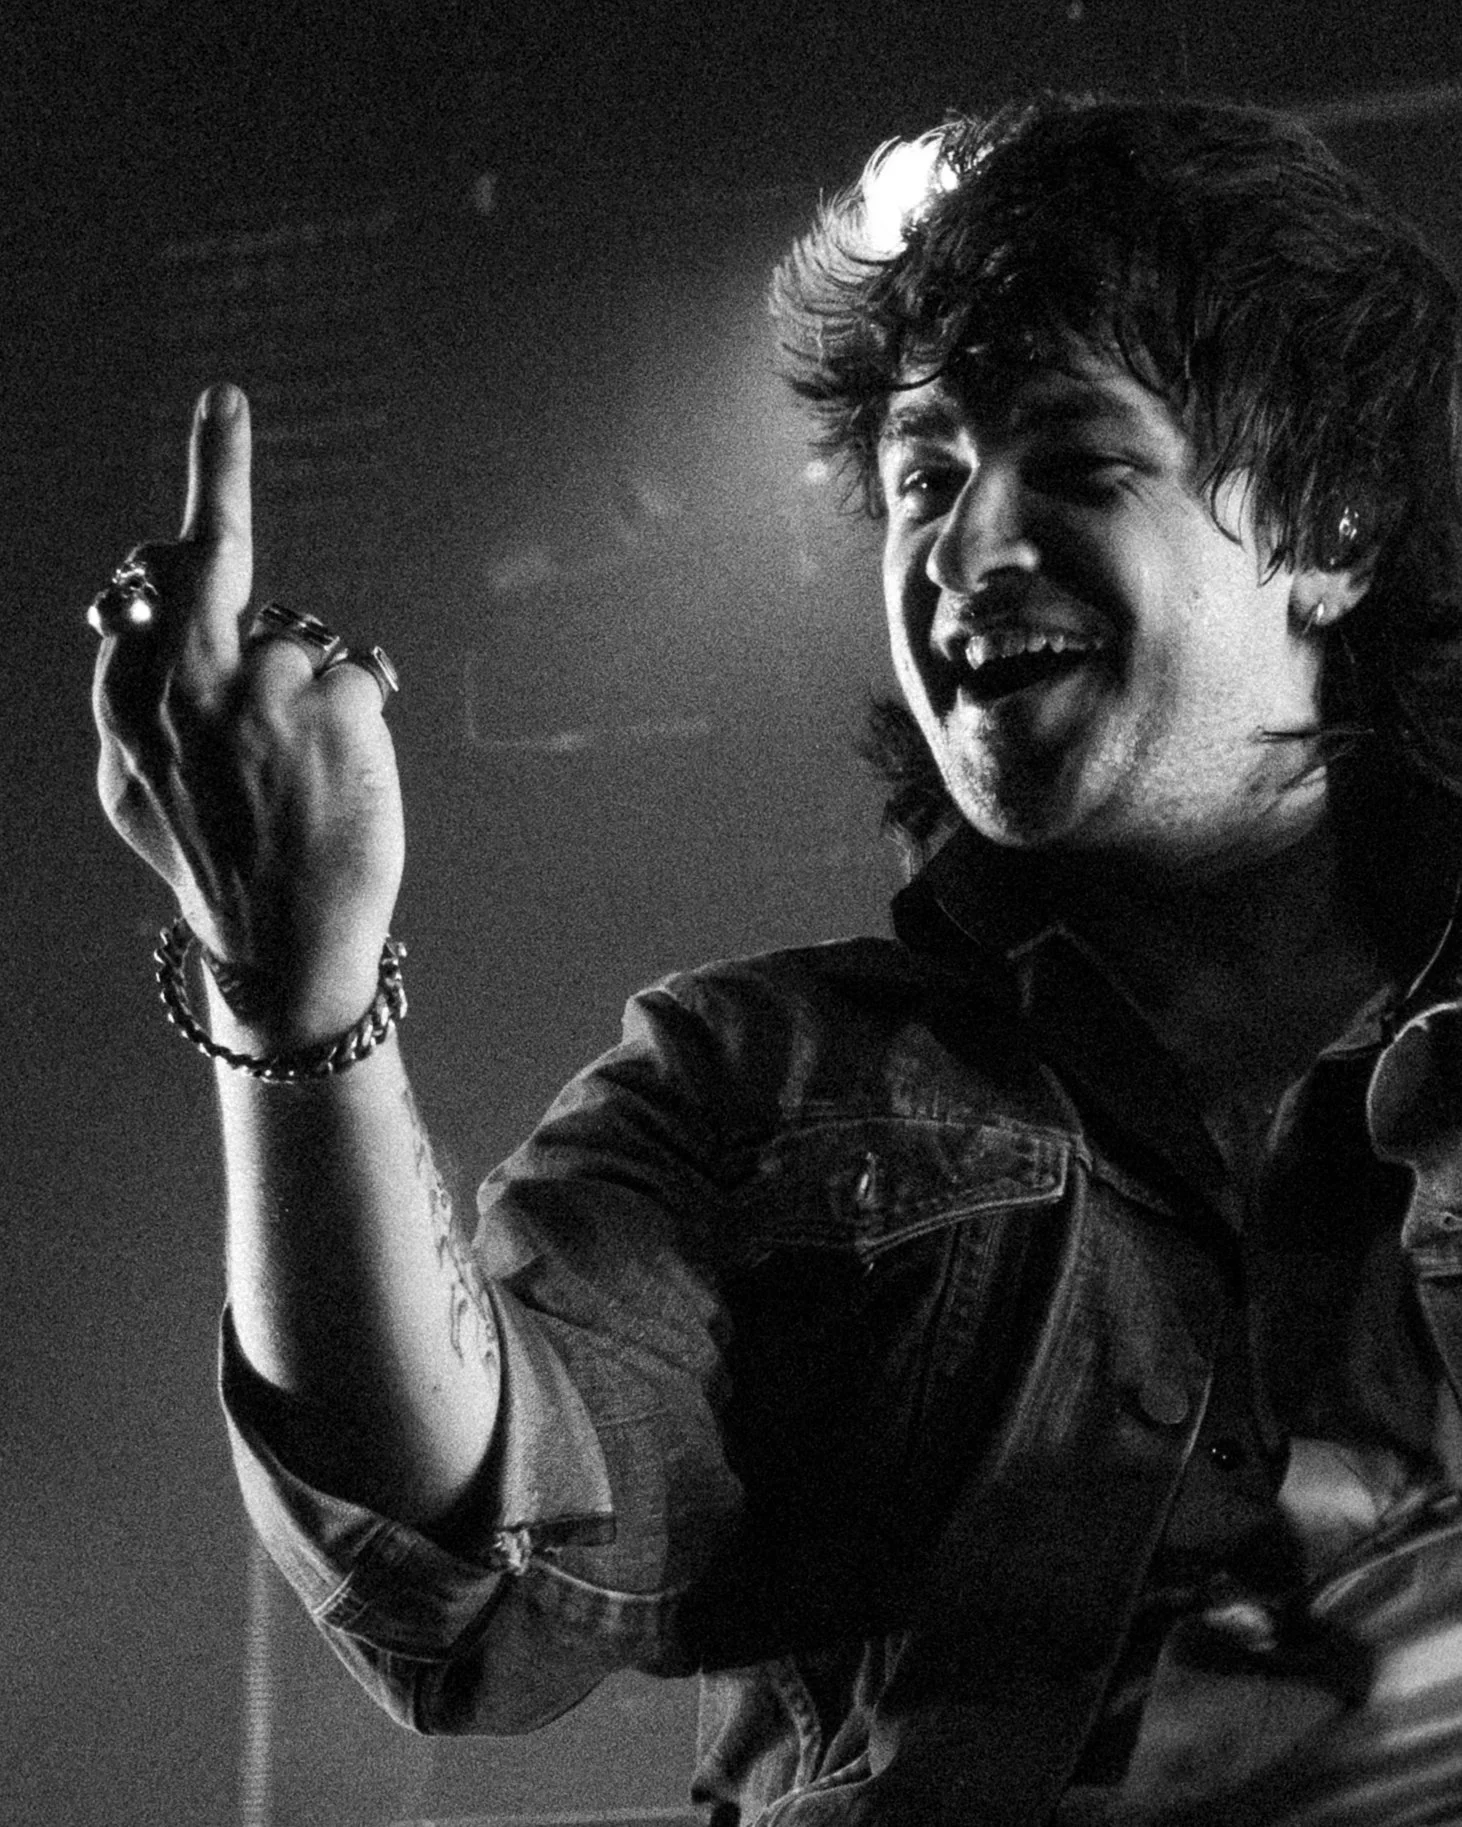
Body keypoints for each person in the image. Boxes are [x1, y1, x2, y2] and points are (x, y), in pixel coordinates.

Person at [89, 94, 1462, 1825]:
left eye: (1077, 462)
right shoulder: (762, 1083)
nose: (962, 553)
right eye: (924, 479)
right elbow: (464, 1552)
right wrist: (290, 989)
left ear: (1330, 529)